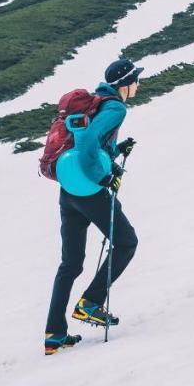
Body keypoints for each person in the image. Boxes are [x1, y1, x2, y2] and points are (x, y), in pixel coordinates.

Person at [44, 58, 142, 355]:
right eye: (135, 79)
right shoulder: (115, 108)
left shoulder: (97, 101)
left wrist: (116, 149)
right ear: (124, 84)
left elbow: (91, 139)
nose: (138, 83)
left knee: (70, 263)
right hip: (89, 188)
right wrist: (104, 176)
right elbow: (88, 144)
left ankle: (54, 334)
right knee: (126, 243)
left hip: (69, 188)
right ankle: (91, 303)